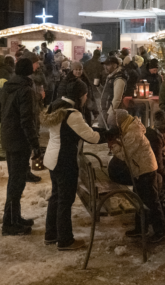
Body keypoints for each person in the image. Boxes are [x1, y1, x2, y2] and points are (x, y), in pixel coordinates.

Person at [41, 81, 102, 251]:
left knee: (56, 196)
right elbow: (92, 137)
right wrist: (110, 133)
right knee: (65, 200)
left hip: (52, 157)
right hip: (64, 160)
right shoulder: (72, 114)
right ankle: (65, 240)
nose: (86, 98)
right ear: (80, 95)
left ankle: (51, 234)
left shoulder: (55, 106)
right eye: (85, 95)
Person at [108, 110, 165, 243]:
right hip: (140, 169)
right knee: (139, 199)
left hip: (145, 169)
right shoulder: (129, 128)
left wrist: (114, 147)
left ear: (119, 123)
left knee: (151, 201)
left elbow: (125, 155)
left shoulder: (133, 132)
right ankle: (141, 228)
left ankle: (161, 231)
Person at [0, 57, 42, 236]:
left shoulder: (7, 87)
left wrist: (9, 128)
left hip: (9, 138)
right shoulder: (26, 90)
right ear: (30, 71)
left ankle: (15, 217)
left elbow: (0, 113)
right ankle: (9, 223)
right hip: (19, 141)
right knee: (16, 183)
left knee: (16, 180)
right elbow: (27, 120)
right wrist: (35, 144)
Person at [101, 56, 128, 127]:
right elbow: (106, 92)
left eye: (108, 65)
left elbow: (117, 99)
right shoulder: (111, 77)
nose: (105, 67)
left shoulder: (119, 79)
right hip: (107, 110)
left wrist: (110, 113)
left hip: (114, 113)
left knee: (112, 131)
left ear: (115, 65)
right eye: (105, 65)